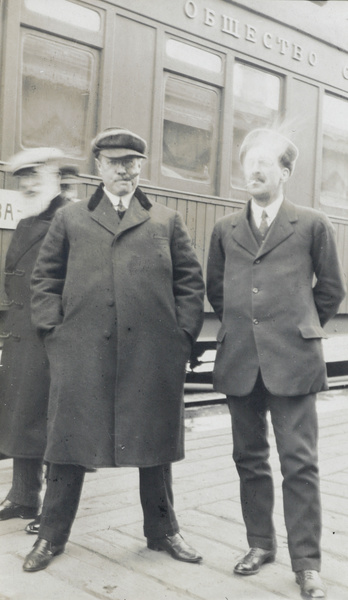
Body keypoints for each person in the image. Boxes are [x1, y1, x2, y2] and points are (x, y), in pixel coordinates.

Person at [23, 127, 205, 572]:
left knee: (155, 447)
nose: (125, 170)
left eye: (132, 162)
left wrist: (180, 338)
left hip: (152, 355)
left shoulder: (166, 220)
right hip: (81, 353)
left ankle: (163, 532)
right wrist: (55, 334)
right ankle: (50, 538)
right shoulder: (71, 219)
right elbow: (44, 281)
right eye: (115, 162)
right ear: (99, 167)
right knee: (66, 445)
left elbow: (189, 284)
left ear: (140, 166)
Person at [207, 128, 346, 599]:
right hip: (241, 360)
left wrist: (299, 326)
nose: (255, 170)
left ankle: (307, 563)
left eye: (265, 163)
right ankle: (260, 544)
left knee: (299, 464)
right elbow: (217, 290)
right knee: (249, 459)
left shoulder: (311, 223)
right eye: (249, 162)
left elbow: (330, 290)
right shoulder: (225, 229)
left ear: (285, 173)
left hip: (293, 360)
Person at [0, 147, 67, 530]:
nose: (27, 184)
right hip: (22, 334)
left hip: (49, 334)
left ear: (54, 176)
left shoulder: (65, 218)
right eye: (22, 178)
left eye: (34, 176)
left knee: (52, 423)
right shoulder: (32, 217)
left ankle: (53, 510)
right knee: (22, 416)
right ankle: (23, 496)